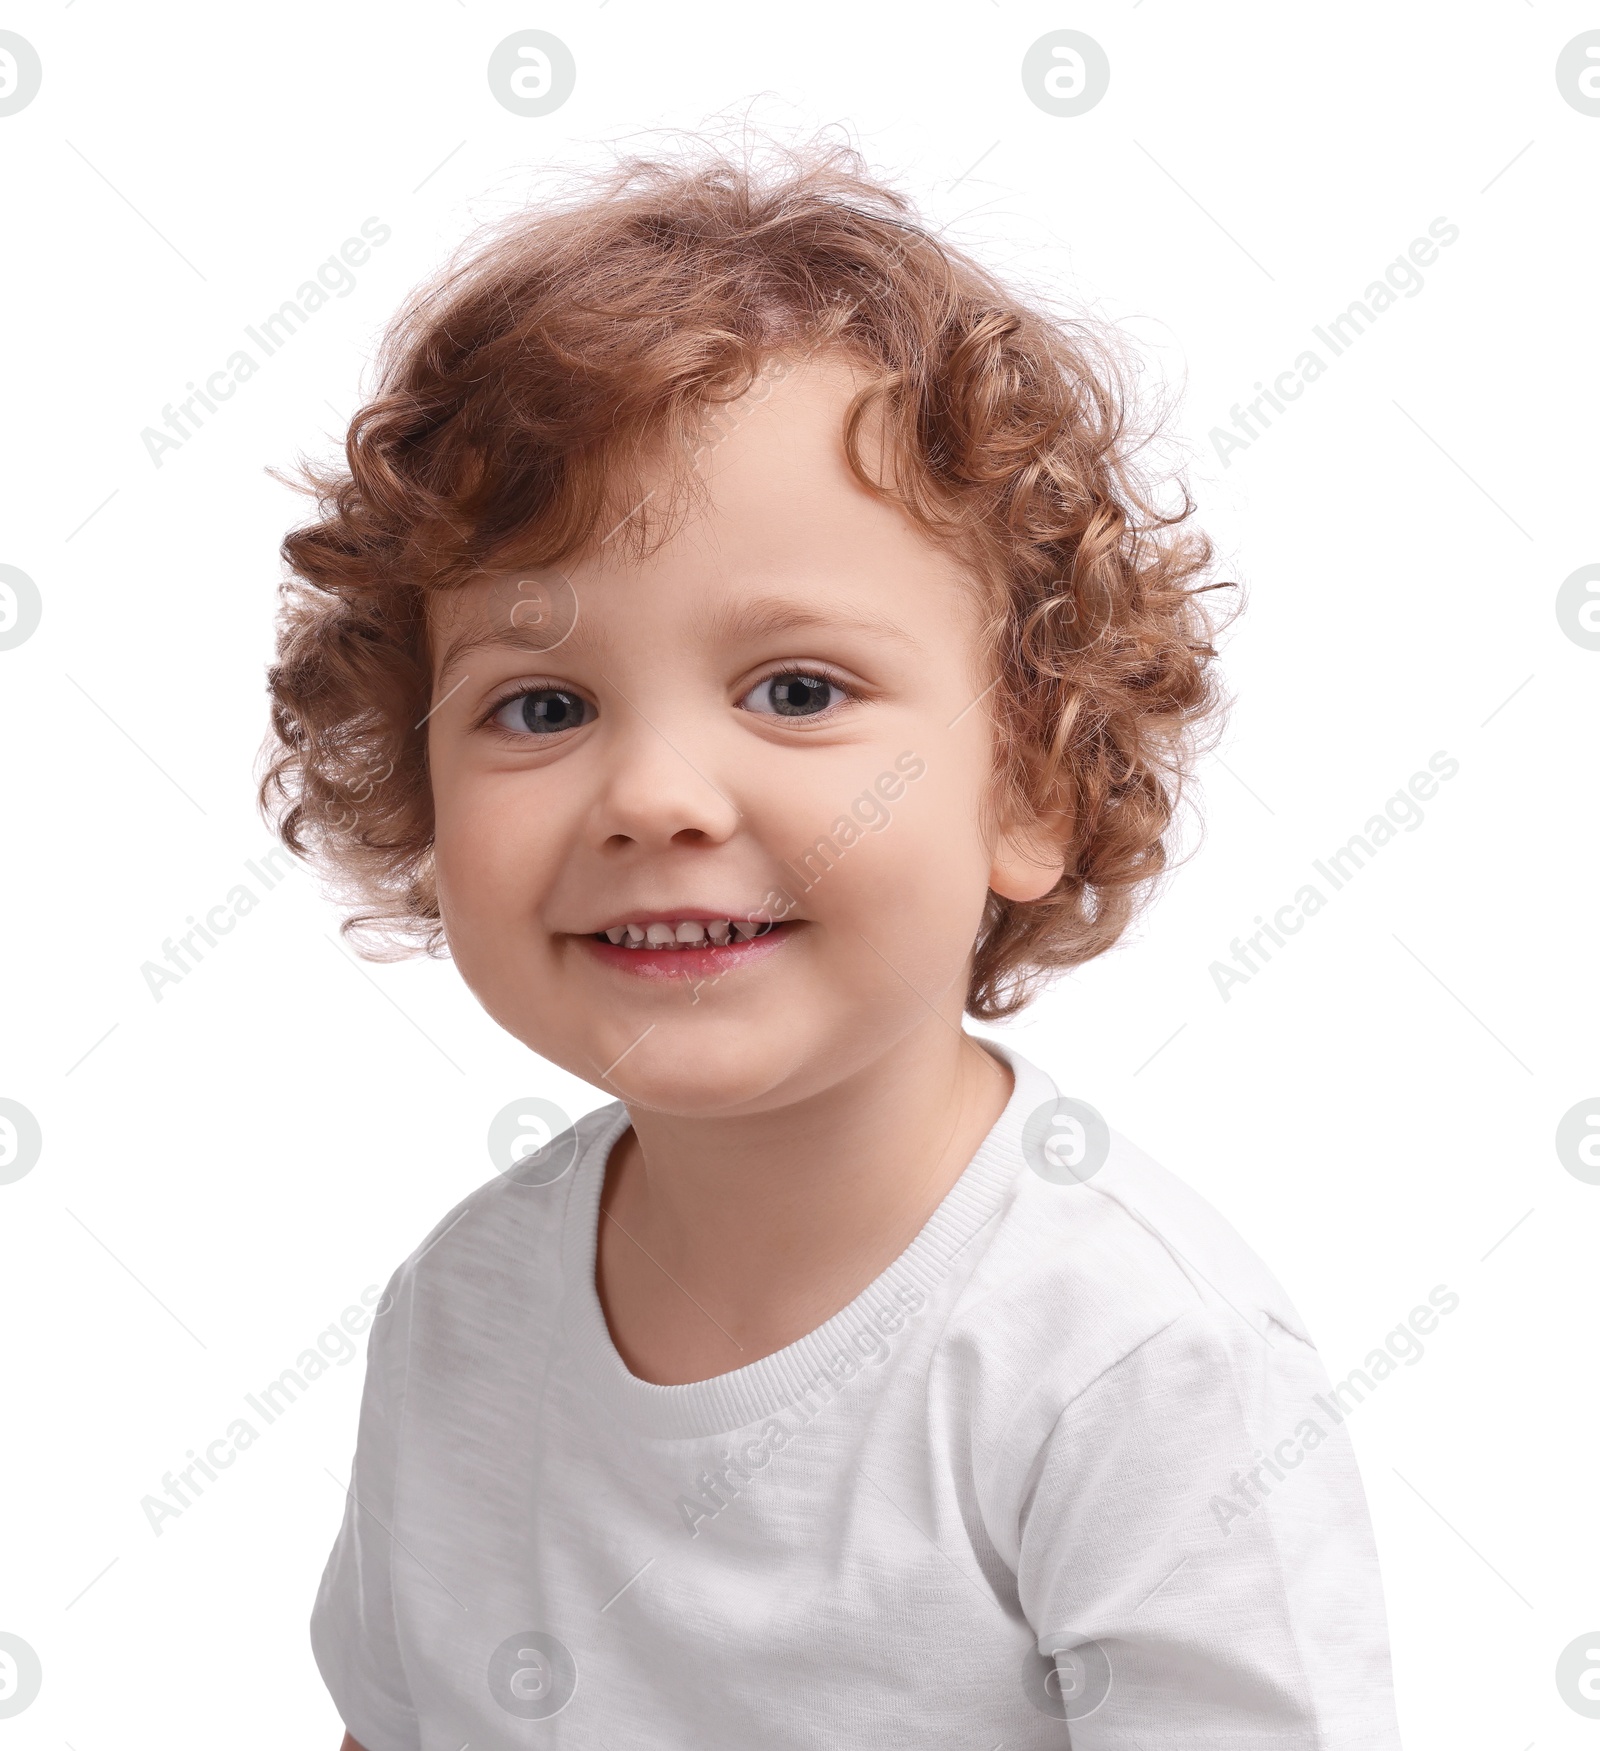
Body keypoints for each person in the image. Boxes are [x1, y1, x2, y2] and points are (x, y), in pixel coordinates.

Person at [262, 136, 1402, 1748]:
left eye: (796, 689)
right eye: (542, 705)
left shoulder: (1132, 1359)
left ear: (1032, 778)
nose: (654, 794)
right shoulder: (464, 1313)